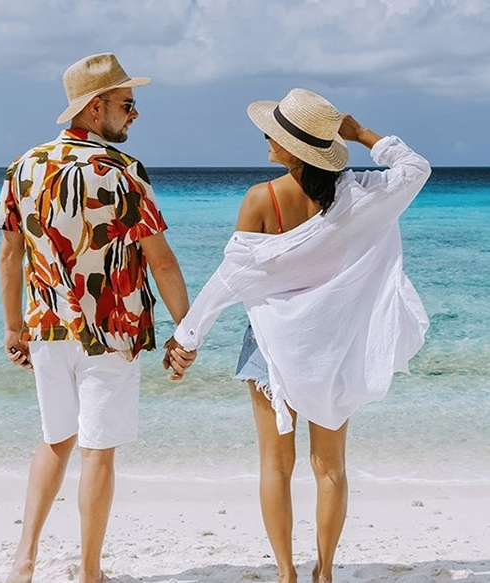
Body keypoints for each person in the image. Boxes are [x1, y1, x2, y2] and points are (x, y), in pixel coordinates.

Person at [167, 88, 431, 583]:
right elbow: (416, 169)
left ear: (294, 148)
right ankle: (324, 572)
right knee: (330, 467)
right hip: (335, 347)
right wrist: (362, 134)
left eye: (277, 133)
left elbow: (229, 279)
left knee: (275, 464)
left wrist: (188, 337)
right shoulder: (363, 192)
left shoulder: (262, 199)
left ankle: (287, 573)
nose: (266, 137)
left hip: (271, 346)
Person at [0, 53, 192, 583]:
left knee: (54, 439)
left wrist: (13, 327)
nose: (134, 115)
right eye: (127, 105)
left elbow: (10, 256)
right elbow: (162, 260)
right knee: (97, 451)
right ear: (95, 105)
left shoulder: (24, 166)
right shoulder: (124, 172)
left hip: (47, 327)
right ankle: (89, 572)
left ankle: (25, 559)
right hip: (113, 330)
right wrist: (188, 329)